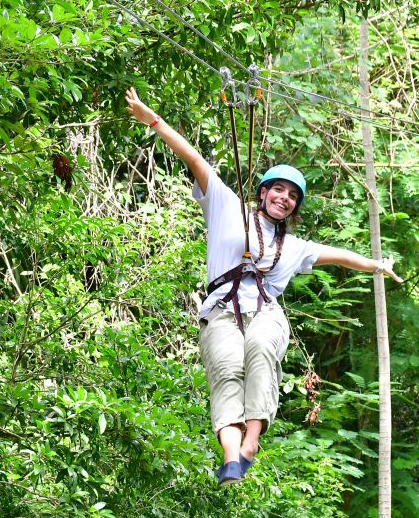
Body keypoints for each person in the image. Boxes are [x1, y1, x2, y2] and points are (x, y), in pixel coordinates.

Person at [125, 88, 402, 485]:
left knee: (259, 350)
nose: (284, 199)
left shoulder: (294, 246)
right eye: (278, 191)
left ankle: (251, 441)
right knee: (226, 368)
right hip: (221, 311)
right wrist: (153, 120)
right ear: (263, 193)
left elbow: (340, 255)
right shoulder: (226, 207)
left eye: (292, 196)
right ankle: (232, 457)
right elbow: (194, 158)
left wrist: (377, 265)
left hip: (266, 313)